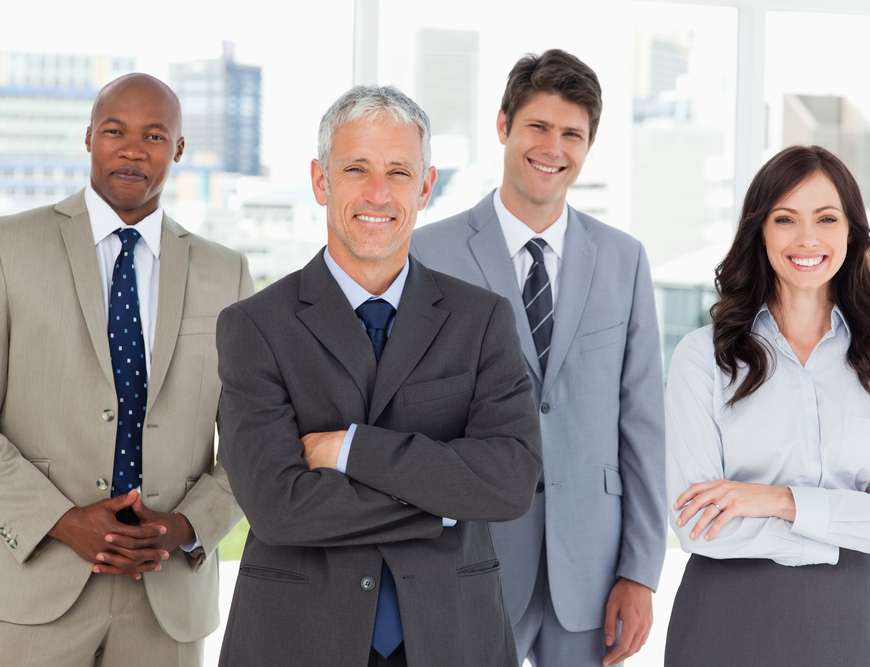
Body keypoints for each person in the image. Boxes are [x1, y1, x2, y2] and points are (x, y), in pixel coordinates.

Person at [215, 85, 542, 667]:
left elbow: (510, 481)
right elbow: (276, 506)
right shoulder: (254, 326)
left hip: (453, 634)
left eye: (397, 172)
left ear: (425, 186)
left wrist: (350, 451)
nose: (377, 193)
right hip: (297, 638)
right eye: (356, 169)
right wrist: (444, 503)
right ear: (321, 181)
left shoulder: (482, 319)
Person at [412, 49, 666, 667]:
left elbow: (643, 424)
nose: (554, 147)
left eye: (572, 134)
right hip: (469, 555)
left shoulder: (623, 259)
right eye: (538, 127)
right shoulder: (428, 253)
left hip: (591, 569)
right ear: (503, 126)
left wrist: (641, 570)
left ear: (588, 145)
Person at [662, 145, 870, 667]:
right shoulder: (703, 359)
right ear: (760, 232)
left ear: (851, 232)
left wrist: (777, 500)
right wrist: (865, 507)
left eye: (826, 218)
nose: (807, 239)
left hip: (848, 623)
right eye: (785, 219)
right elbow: (698, 524)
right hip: (723, 622)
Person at [0, 74, 251, 666]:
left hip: (168, 601)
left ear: (179, 150)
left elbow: (251, 435)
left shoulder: (226, 274)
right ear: (88, 137)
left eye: (155, 135)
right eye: (115, 131)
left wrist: (188, 526)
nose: (133, 149)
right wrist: (60, 521)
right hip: (36, 589)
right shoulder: (9, 250)